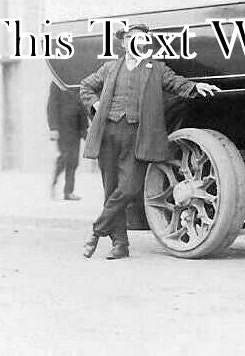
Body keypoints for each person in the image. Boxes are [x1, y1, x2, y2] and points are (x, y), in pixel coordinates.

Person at [79, 23, 220, 259]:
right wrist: (95, 104)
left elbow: (178, 83)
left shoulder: (156, 69)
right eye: (133, 38)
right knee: (111, 190)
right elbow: (86, 86)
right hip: (108, 135)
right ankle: (120, 245)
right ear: (125, 43)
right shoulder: (109, 68)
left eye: (143, 39)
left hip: (137, 136)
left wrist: (196, 86)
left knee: (129, 189)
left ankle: (96, 231)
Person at [47, 82, 88, 201]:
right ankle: (54, 181)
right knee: (65, 157)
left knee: (74, 161)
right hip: (62, 128)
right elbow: (52, 106)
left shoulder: (78, 82)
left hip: (76, 128)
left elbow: (82, 106)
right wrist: (53, 128)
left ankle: (68, 192)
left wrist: (84, 129)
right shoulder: (57, 82)